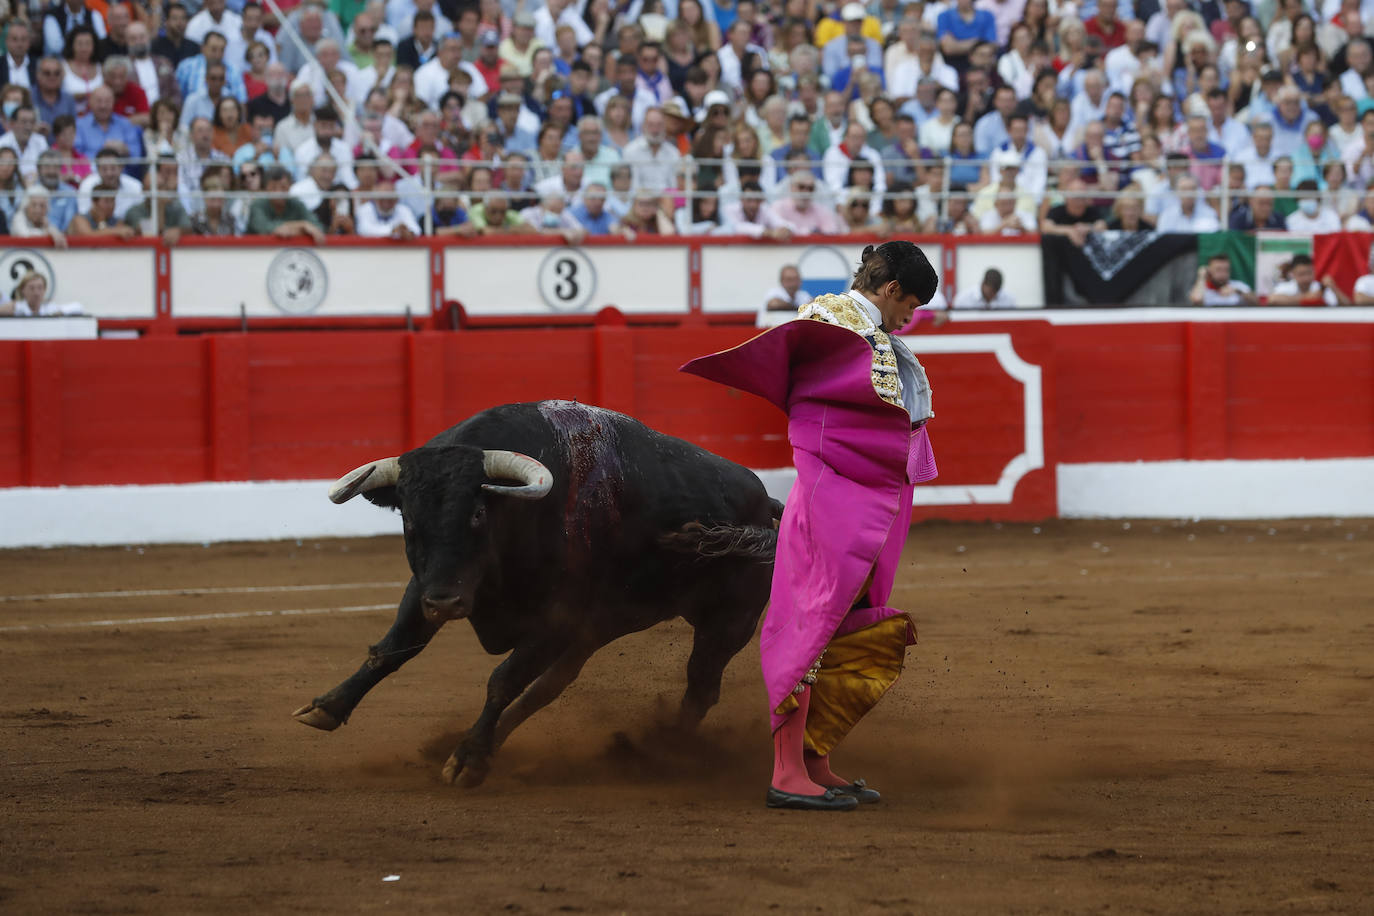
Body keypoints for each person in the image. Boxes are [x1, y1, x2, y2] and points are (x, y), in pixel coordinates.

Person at [681, 240, 940, 811]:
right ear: (892, 288)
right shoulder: (833, 318)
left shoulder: (869, 333)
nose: (911, 319)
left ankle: (814, 759)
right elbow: (821, 408)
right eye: (912, 305)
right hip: (834, 498)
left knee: (847, 622)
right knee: (813, 621)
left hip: (863, 496)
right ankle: (784, 771)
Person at [246, 164, 326, 240]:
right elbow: (264, 228)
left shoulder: (295, 203)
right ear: (266, 188)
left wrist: (295, 229)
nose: (278, 192)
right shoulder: (257, 205)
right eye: (273, 188)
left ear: (289, 187)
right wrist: (302, 225)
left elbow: (318, 227)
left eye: (283, 187)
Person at [1268, 254, 1350, 306]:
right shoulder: (1285, 287)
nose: (1306, 278)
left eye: (1309, 273)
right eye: (1302, 274)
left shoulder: (1320, 287)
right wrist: (1307, 299)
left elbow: (1349, 307)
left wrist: (1334, 288)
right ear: (1293, 274)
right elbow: (1272, 299)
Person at [953, 268, 1017, 308]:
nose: (993, 295)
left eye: (996, 292)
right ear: (983, 284)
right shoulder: (964, 298)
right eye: (991, 292)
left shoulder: (1009, 299)